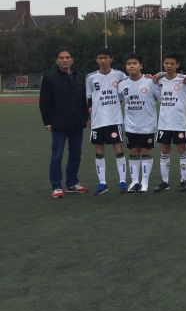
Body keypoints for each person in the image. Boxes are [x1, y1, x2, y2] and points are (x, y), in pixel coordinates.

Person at [39, 47, 89, 198]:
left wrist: (86, 117)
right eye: (61, 58)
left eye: (67, 57)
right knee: (57, 156)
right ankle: (56, 186)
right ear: (57, 60)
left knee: (76, 154)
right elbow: (44, 102)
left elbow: (84, 99)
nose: (64, 60)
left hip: (77, 122)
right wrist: (47, 121)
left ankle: (72, 183)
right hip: (58, 123)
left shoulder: (80, 77)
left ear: (72, 60)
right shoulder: (49, 78)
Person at [85, 48, 128, 194]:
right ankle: (102, 183)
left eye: (105, 58)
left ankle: (122, 181)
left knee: (118, 148)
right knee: (99, 149)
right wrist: (89, 117)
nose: (103, 61)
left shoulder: (120, 75)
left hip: (114, 119)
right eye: (100, 58)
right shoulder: (91, 77)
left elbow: (125, 93)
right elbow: (89, 99)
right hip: (98, 120)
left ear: (111, 59)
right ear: (96, 60)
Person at [117, 54, 160, 192]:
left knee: (146, 152)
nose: (131, 66)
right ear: (126, 67)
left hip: (148, 126)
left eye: (135, 63)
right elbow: (119, 99)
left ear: (141, 66)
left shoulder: (150, 82)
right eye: (129, 63)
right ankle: (134, 181)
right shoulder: (122, 84)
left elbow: (161, 97)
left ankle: (145, 182)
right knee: (133, 152)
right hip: (130, 126)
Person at [153, 53, 186, 192]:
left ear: (177, 65)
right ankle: (165, 182)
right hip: (164, 123)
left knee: (182, 150)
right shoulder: (159, 80)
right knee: (164, 150)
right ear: (163, 64)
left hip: (179, 122)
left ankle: (183, 181)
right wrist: (160, 74)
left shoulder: (184, 79)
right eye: (166, 63)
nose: (169, 66)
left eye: (172, 63)